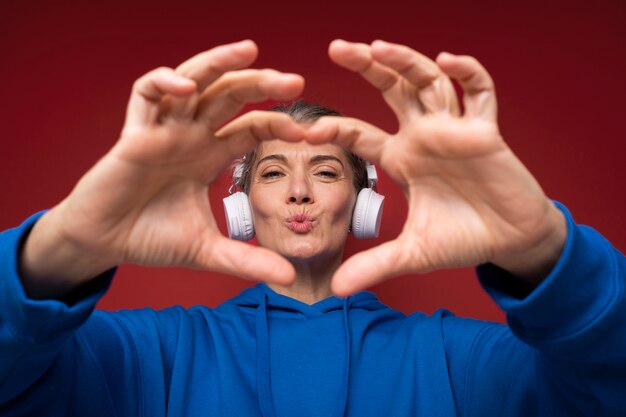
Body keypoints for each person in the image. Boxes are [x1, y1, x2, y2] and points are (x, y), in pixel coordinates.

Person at [0, 39, 624, 416]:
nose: (298, 190)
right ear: (242, 206)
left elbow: (605, 385)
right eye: (272, 173)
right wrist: (68, 246)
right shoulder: (153, 356)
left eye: (325, 170)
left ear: (363, 201)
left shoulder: (454, 359)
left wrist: (544, 249)